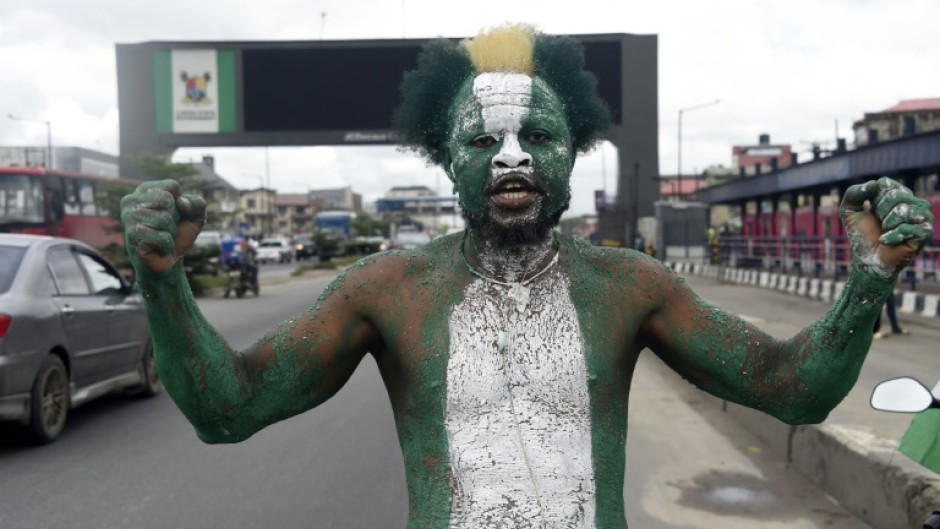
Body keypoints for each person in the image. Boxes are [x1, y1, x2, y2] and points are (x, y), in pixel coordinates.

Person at [120, 24, 933, 528]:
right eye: (483, 142)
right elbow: (229, 410)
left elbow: (793, 389)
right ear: (448, 162)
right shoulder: (386, 289)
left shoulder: (629, 285)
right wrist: (163, 279)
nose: (512, 156)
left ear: (571, 152)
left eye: (536, 135)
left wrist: (867, 278)